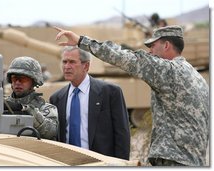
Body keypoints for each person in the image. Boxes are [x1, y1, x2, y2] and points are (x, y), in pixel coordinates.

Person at [53, 25, 209, 166]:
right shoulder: (196, 77)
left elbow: (125, 58)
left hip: (174, 160)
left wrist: (81, 41)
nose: (150, 51)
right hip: (193, 160)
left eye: (153, 46)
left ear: (166, 45)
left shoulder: (168, 70)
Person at [49, 46, 130, 160]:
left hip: (100, 163)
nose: (67, 67)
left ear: (86, 66)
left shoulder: (110, 92)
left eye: (72, 62)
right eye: (64, 62)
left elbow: (122, 134)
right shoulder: (57, 98)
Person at [4, 56, 59, 140]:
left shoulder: (45, 108)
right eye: (14, 78)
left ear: (34, 81)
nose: (17, 82)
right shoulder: (3, 105)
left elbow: (51, 131)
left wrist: (28, 110)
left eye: (23, 79)